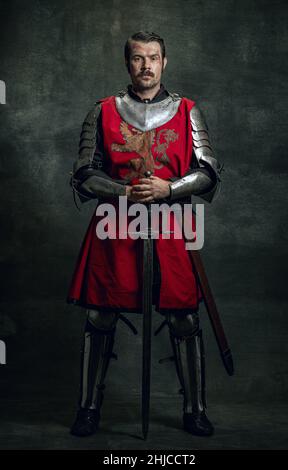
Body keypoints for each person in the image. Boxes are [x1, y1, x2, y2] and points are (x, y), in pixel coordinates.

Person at [67, 31, 222, 438]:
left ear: (165, 62)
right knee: (100, 312)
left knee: (184, 316)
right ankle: (88, 408)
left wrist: (169, 189)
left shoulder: (187, 110)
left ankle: (195, 408)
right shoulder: (102, 111)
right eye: (138, 58)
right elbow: (83, 173)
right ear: (127, 63)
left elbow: (208, 172)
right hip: (114, 226)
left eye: (153, 57)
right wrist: (125, 191)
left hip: (172, 226)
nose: (147, 66)